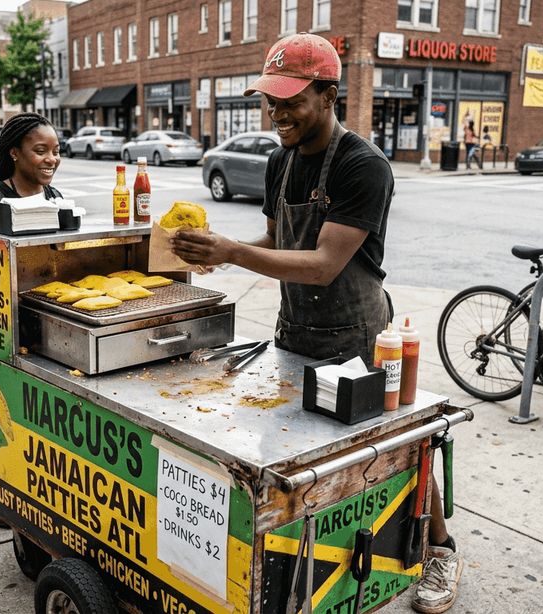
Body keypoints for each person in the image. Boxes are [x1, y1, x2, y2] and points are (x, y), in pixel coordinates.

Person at [168, 34, 462, 614]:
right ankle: (309, 560)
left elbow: (326, 265)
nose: (277, 115)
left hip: (358, 336)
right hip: (296, 330)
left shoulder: (364, 166)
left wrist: (231, 252)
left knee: (393, 446)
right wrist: (215, 254)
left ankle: (439, 549)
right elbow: (276, 244)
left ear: (329, 95)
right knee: (297, 455)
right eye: (270, 103)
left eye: (291, 102)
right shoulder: (280, 161)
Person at [0, 112, 62, 228]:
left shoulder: (55, 197)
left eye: (56, 152)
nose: (52, 160)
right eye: (40, 151)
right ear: (15, 153)